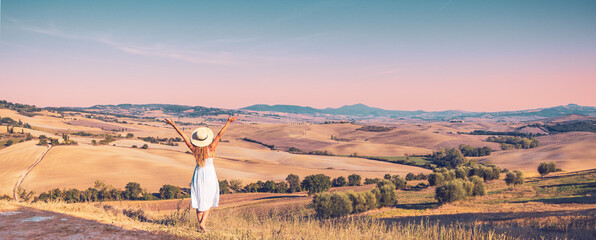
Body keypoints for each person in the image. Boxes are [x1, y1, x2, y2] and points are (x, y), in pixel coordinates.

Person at [164, 116, 237, 232]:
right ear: (207, 139)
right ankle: (203, 223)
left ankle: (201, 226)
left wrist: (173, 125)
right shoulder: (211, 148)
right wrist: (228, 122)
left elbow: (184, 137)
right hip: (209, 174)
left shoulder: (194, 149)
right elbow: (219, 135)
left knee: (199, 200)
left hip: (198, 174)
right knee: (209, 198)